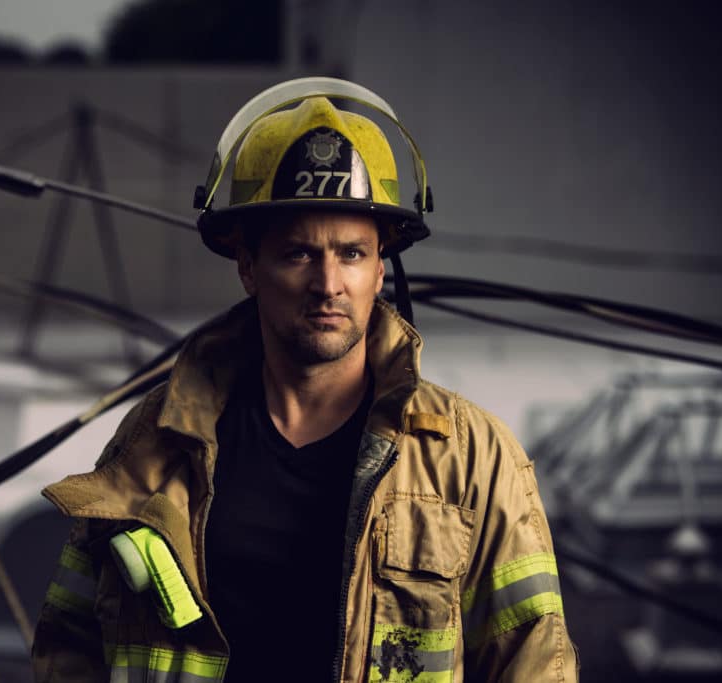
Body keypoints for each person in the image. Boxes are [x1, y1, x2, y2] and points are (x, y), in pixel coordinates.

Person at [31, 78, 578, 682]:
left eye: (351, 253)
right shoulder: (156, 444)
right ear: (248, 266)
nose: (328, 284)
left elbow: (533, 661)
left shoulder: (470, 457)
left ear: (379, 269)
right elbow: (68, 645)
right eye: (297, 253)